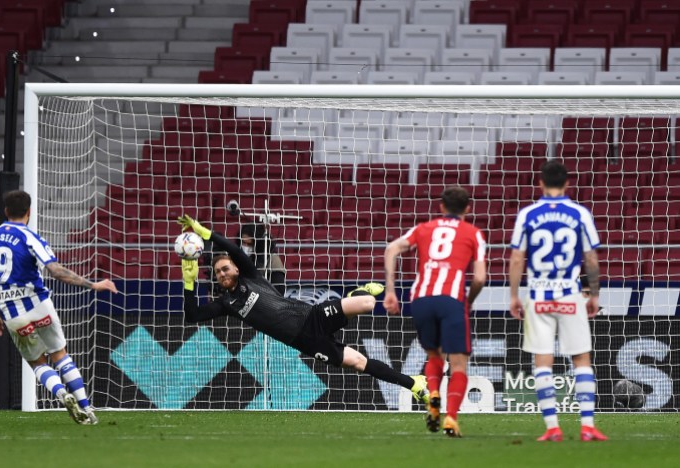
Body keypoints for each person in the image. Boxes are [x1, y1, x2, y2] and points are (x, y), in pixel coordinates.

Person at [178, 214, 429, 404]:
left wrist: (203, 232)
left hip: (312, 317)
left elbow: (233, 249)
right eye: (218, 272)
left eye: (226, 268)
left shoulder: (250, 276)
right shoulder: (227, 304)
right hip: (305, 342)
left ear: (235, 269)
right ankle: (414, 384)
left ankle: (356, 293)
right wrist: (189, 281)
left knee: (368, 303)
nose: (222, 273)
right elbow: (193, 316)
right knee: (359, 362)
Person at [0, 190, 118, 425]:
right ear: (29, 212)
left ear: (6, 212)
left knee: (38, 363)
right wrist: (93, 284)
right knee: (60, 355)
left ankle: (61, 394)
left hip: (12, 313)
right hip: (39, 305)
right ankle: (87, 409)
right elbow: (56, 271)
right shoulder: (30, 237)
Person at [508, 160, 608, 442]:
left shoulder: (527, 214)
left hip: (538, 295)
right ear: (567, 184)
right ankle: (587, 426)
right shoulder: (579, 213)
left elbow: (517, 257)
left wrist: (515, 295)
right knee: (581, 358)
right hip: (569, 292)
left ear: (540, 183)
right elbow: (590, 258)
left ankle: (552, 427)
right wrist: (595, 294)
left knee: (543, 360)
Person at [384, 186, 487, 438]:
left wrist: (390, 291)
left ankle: (433, 396)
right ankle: (451, 418)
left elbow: (391, 249)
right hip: (451, 299)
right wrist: (469, 301)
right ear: (468, 209)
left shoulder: (424, 228)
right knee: (459, 364)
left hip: (421, 299)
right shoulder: (473, 233)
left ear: (441, 207)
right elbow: (480, 278)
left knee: (434, 355)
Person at [239, 223, 287, 294]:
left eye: (250, 244)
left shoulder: (272, 259)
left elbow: (279, 291)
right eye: (243, 243)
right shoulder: (238, 258)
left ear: (258, 244)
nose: (245, 247)